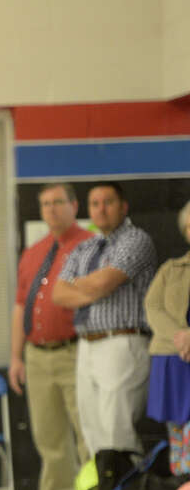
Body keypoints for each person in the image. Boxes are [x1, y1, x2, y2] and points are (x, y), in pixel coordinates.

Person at [9, 183, 94, 490]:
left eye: (59, 202)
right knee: (48, 432)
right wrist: (16, 356)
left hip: (75, 349)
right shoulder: (33, 252)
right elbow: (20, 306)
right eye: (45, 204)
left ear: (74, 206)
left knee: (84, 428)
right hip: (37, 354)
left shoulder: (89, 246)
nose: (52, 210)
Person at [54, 182, 157, 455]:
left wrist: (81, 285)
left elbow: (106, 282)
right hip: (86, 345)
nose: (101, 209)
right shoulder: (84, 247)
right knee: (92, 431)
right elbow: (58, 294)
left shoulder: (136, 239)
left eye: (108, 202)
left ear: (123, 207)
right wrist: (92, 288)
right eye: (95, 204)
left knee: (116, 431)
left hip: (121, 342)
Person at [144, 199, 190, 475]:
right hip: (172, 360)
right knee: (177, 432)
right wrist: (181, 337)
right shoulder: (171, 269)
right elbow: (153, 306)